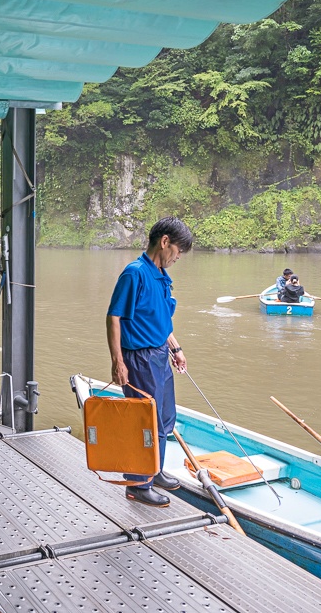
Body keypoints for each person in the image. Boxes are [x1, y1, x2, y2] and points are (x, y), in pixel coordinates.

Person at [107, 216, 194, 508]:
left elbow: (160, 319)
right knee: (145, 421)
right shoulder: (135, 274)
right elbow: (114, 317)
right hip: (139, 359)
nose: (178, 258)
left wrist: (175, 347)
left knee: (165, 418)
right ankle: (137, 484)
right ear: (165, 242)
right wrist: (118, 361)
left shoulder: (160, 276)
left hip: (159, 355)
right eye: (178, 252)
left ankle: (154, 471)